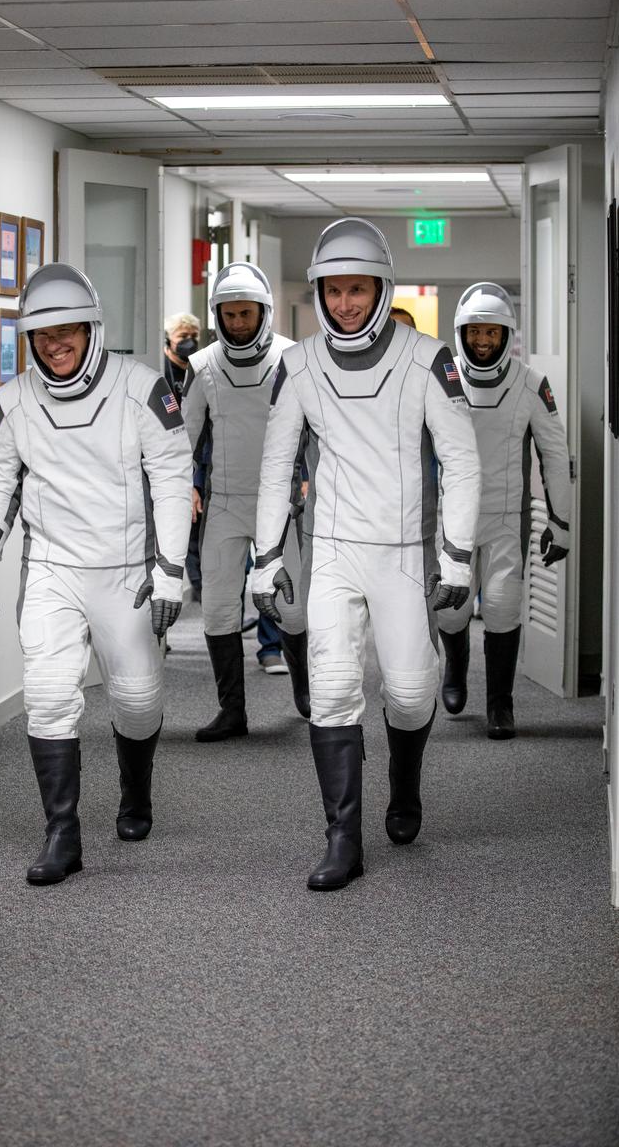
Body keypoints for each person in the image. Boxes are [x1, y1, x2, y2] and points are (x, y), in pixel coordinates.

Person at [252, 218, 480, 891]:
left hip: (404, 553)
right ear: (318, 293)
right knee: (331, 688)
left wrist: (458, 557)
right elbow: (274, 467)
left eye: (358, 289)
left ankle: (403, 788)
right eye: (333, 290)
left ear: (380, 288)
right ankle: (341, 840)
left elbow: (463, 464)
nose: (345, 303)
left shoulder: (427, 358)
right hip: (332, 552)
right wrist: (265, 558)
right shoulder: (296, 365)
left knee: (410, 693)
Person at [0, 263, 191, 886]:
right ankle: (62, 832)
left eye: (68, 332)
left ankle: (135, 792)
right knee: (49, 698)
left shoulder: (142, 389)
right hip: (53, 571)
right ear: (28, 340)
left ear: (92, 329)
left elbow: (172, 478)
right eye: (42, 336)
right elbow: (0, 486)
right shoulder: (15, 401)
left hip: (127, 572)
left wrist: (170, 568)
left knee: (137, 702)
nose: (56, 346)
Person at [437, 282, 571, 739]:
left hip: (504, 519)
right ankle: (454, 668)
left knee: (501, 607)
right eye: (474, 332)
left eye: (491, 333)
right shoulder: (443, 378)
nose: (482, 342)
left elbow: (555, 454)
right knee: (450, 612)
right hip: (450, 521)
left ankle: (500, 704)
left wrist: (562, 521)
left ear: (506, 335)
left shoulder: (530, 383)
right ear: (461, 333)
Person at [182, 262, 308, 742]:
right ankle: (231, 711)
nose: (238, 323)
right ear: (217, 315)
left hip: (281, 505)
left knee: (292, 610)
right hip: (225, 503)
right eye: (229, 315)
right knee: (217, 609)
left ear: (264, 313)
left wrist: (311, 479)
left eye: (246, 314)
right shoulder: (202, 367)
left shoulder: (294, 359)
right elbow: (184, 439)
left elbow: (317, 429)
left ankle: (303, 688)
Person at [164, 311, 203, 598]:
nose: (188, 343)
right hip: (167, 458)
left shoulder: (199, 370)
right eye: (182, 338)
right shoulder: (160, 372)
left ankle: (204, 590)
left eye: (192, 338)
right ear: (168, 341)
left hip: (197, 459)